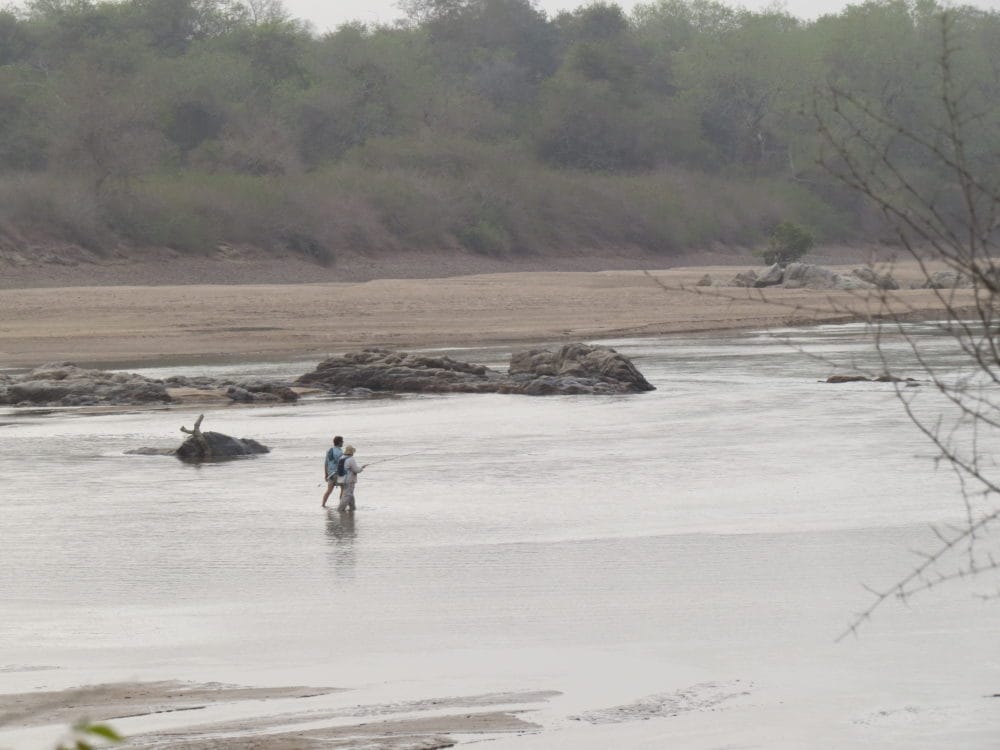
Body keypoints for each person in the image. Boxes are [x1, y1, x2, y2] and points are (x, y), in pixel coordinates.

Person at [337, 444, 367, 512]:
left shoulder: (341, 458)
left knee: (350, 495)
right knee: (347, 495)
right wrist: (362, 468)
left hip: (341, 479)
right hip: (349, 480)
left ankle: (352, 509)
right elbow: (356, 470)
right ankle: (340, 510)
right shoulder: (351, 459)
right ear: (352, 452)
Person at [321, 436, 344, 508]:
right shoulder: (340, 452)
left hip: (330, 474)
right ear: (339, 442)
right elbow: (341, 464)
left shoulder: (329, 450)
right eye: (342, 441)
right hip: (337, 474)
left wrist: (326, 474)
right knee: (343, 489)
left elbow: (326, 463)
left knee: (329, 491)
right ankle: (341, 505)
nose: (343, 442)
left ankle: (323, 505)